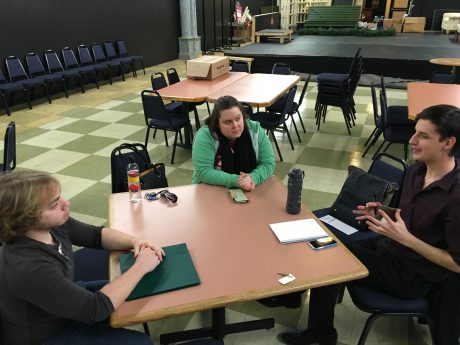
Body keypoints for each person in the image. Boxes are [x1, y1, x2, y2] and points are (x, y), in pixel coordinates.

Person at [279, 104, 460, 345]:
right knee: (325, 240)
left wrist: (407, 239)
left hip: (412, 275)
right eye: (415, 132)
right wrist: (384, 211)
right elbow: (412, 214)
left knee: (327, 256)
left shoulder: (456, 195)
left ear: (448, 143)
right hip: (389, 248)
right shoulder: (417, 171)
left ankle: (321, 333)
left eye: (423, 136)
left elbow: (456, 264)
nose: (412, 140)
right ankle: (299, 302)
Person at [0, 170, 165, 345]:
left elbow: (96, 235)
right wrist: (141, 266)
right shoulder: (28, 267)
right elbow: (96, 308)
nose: (66, 203)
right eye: (54, 204)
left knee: (138, 287)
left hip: (61, 304)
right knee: (142, 342)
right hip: (48, 335)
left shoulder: (51, 225)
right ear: (26, 218)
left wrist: (135, 241)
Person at [192, 95, 275, 192]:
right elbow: (204, 172)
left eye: (238, 118)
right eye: (228, 122)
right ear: (217, 124)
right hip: (210, 189)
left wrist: (253, 178)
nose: (235, 126)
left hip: (249, 187)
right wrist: (237, 181)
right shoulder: (205, 136)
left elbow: (268, 164)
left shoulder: (255, 130)